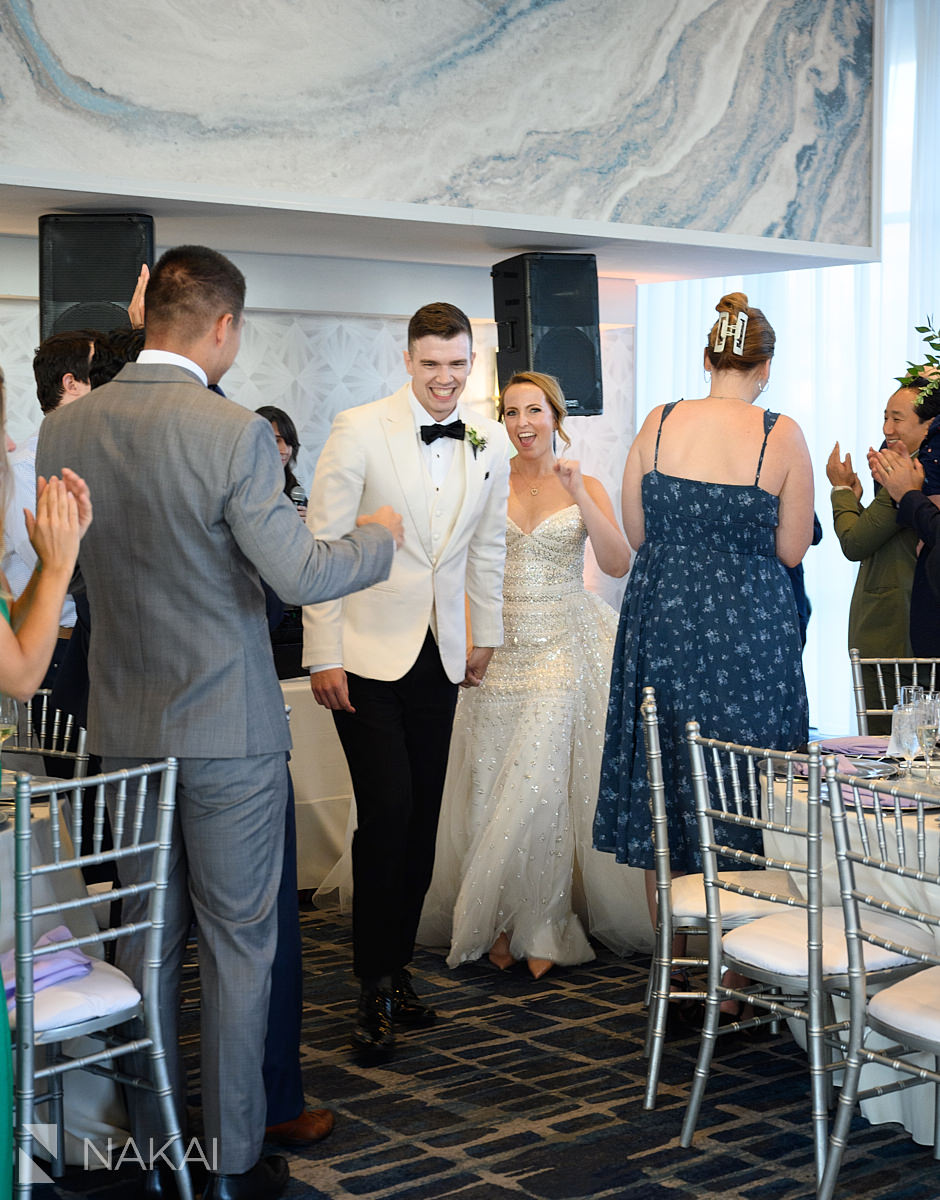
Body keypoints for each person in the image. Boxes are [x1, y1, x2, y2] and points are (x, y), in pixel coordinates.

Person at [36, 244, 402, 1200]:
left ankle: (155, 1144)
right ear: (225, 326)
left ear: (148, 309)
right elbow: (304, 575)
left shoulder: (66, 432)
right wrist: (380, 539)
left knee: (143, 939)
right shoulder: (232, 431)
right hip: (230, 732)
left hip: (122, 724)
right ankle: (235, 1162)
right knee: (241, 948)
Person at [303, 301, 512, 1058]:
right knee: (387, 810)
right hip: (361, 653)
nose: (446, 380)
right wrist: (321, 650)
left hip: (441, 653)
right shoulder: (359, 427)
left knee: (422, 817)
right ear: (408, 360)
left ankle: (395, 969)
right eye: (432, 365)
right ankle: (370, 982)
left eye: (458, 365)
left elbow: (486, 547)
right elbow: (323, 545)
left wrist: (483, 633)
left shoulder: (486, 437)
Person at [419, 371, 651, 979]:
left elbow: (618, 561)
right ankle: (498, 918)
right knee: (492, 780)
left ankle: (543, 922)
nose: (523, 423)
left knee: (542, 784)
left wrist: (578, 495)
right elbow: (462, 570)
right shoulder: (484, 482)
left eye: (535, 411)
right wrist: (471, 638)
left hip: (561, 650)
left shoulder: (583, 481)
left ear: (556, 417)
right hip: (497, 650)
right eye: (512, 411)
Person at [594, 292, 813, 921]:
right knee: (745, 780)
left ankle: (673, 953)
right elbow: (793, 549)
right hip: (751, 636)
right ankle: (738, 970)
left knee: (668, 778)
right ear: (765, 366)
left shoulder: (659, 422)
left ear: (707, 358)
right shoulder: (782, 433)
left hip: (663, 625)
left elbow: (636, 535)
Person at [827, 379, 936, 728]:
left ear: (929, 425)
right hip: (900, 629)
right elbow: (880, 537)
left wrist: (841, 489)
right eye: (884, 418)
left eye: (897, 419)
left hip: (894, 631)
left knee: (889, 745)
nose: (887, 429)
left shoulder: (910, 480)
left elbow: (854, 543)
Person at [1, 331, 97, 683]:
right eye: (99, 374)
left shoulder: (95, 459)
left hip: (92, 643)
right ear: (71, 383)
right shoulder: (26, 468)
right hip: (54, 645)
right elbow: (57, 568)